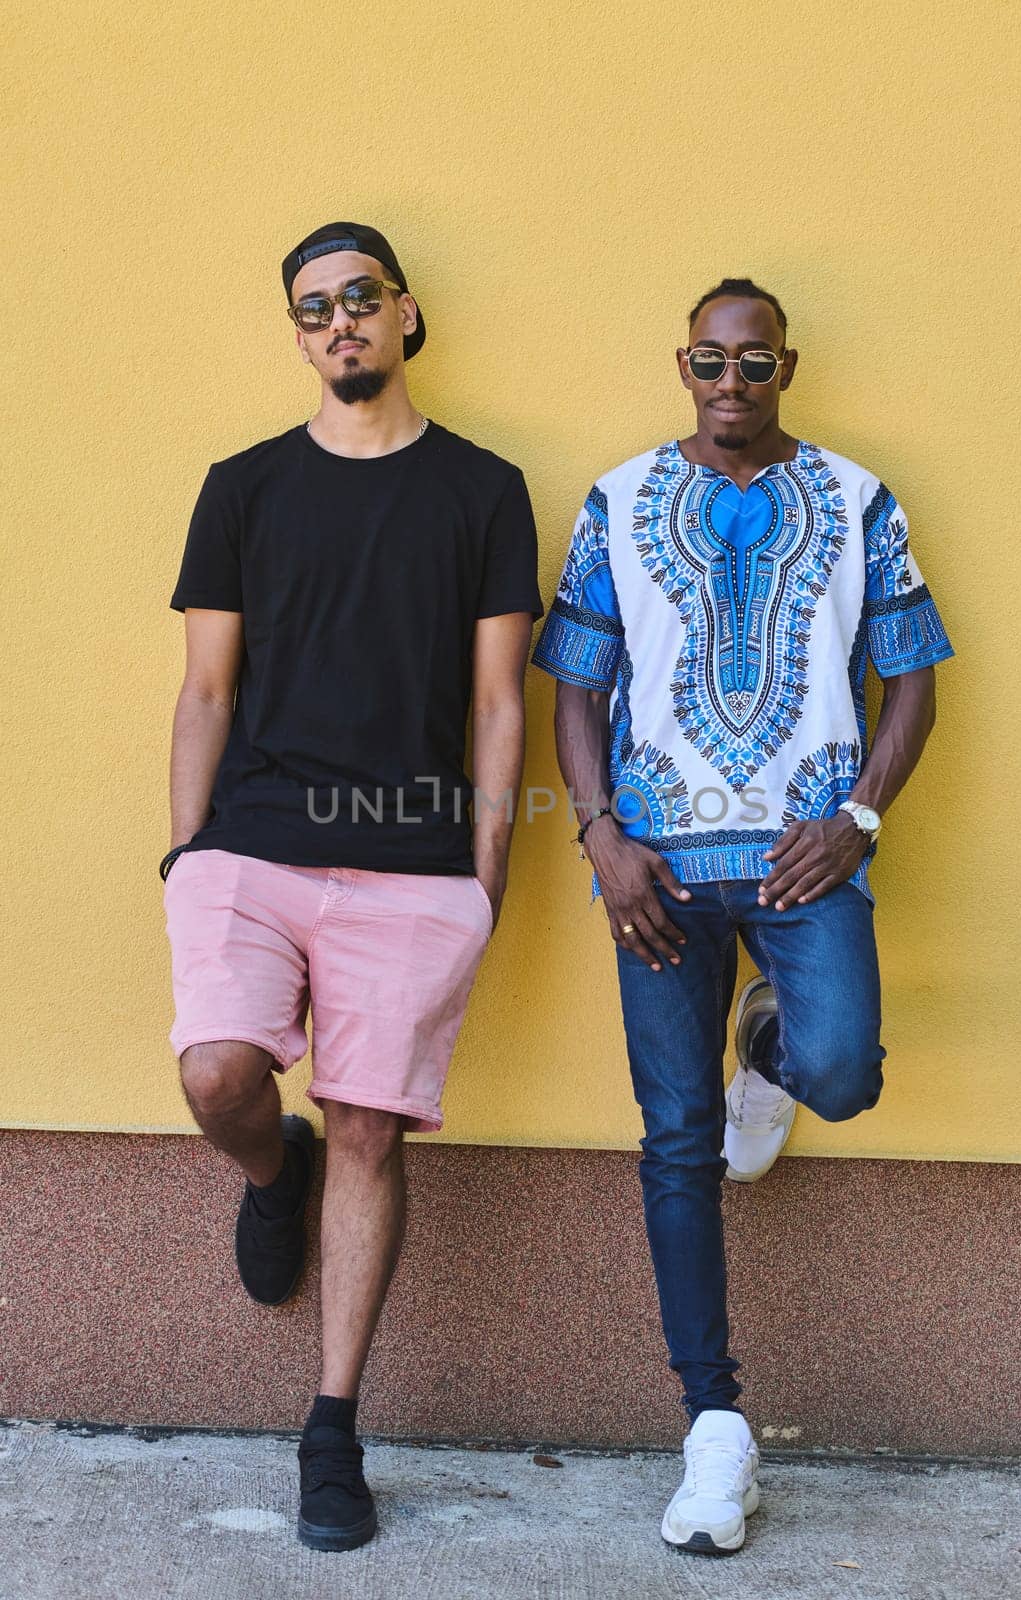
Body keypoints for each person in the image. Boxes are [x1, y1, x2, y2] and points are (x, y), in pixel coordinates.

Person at [532, 277, 953, 1556]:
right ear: (682, 365)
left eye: (753, 362)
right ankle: (713, 1429)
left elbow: (912, 679)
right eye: (707, 361)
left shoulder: (854, 498)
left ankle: (771, 1047)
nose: (729, 382)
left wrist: (860, 820)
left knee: (842, 1071)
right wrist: (599, 838)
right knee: (674, 1139)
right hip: (655, 872)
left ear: (785, 368)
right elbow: (571, 687)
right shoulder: (614, 500)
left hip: (796, 864)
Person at [161, 221, 542, 1552]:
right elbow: (205, 688)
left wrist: (486, 874)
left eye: (359, 299)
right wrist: (185, 849)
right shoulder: (244, 487)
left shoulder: (483, 492)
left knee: (370, 1128)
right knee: (217, 1071)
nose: (339, 325)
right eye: (313, 309)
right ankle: (275, 1174)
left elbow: (501, 704)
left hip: (415, 858)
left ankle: (332, 1432)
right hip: (251, 841)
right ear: (301, 331)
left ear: (405, 313)